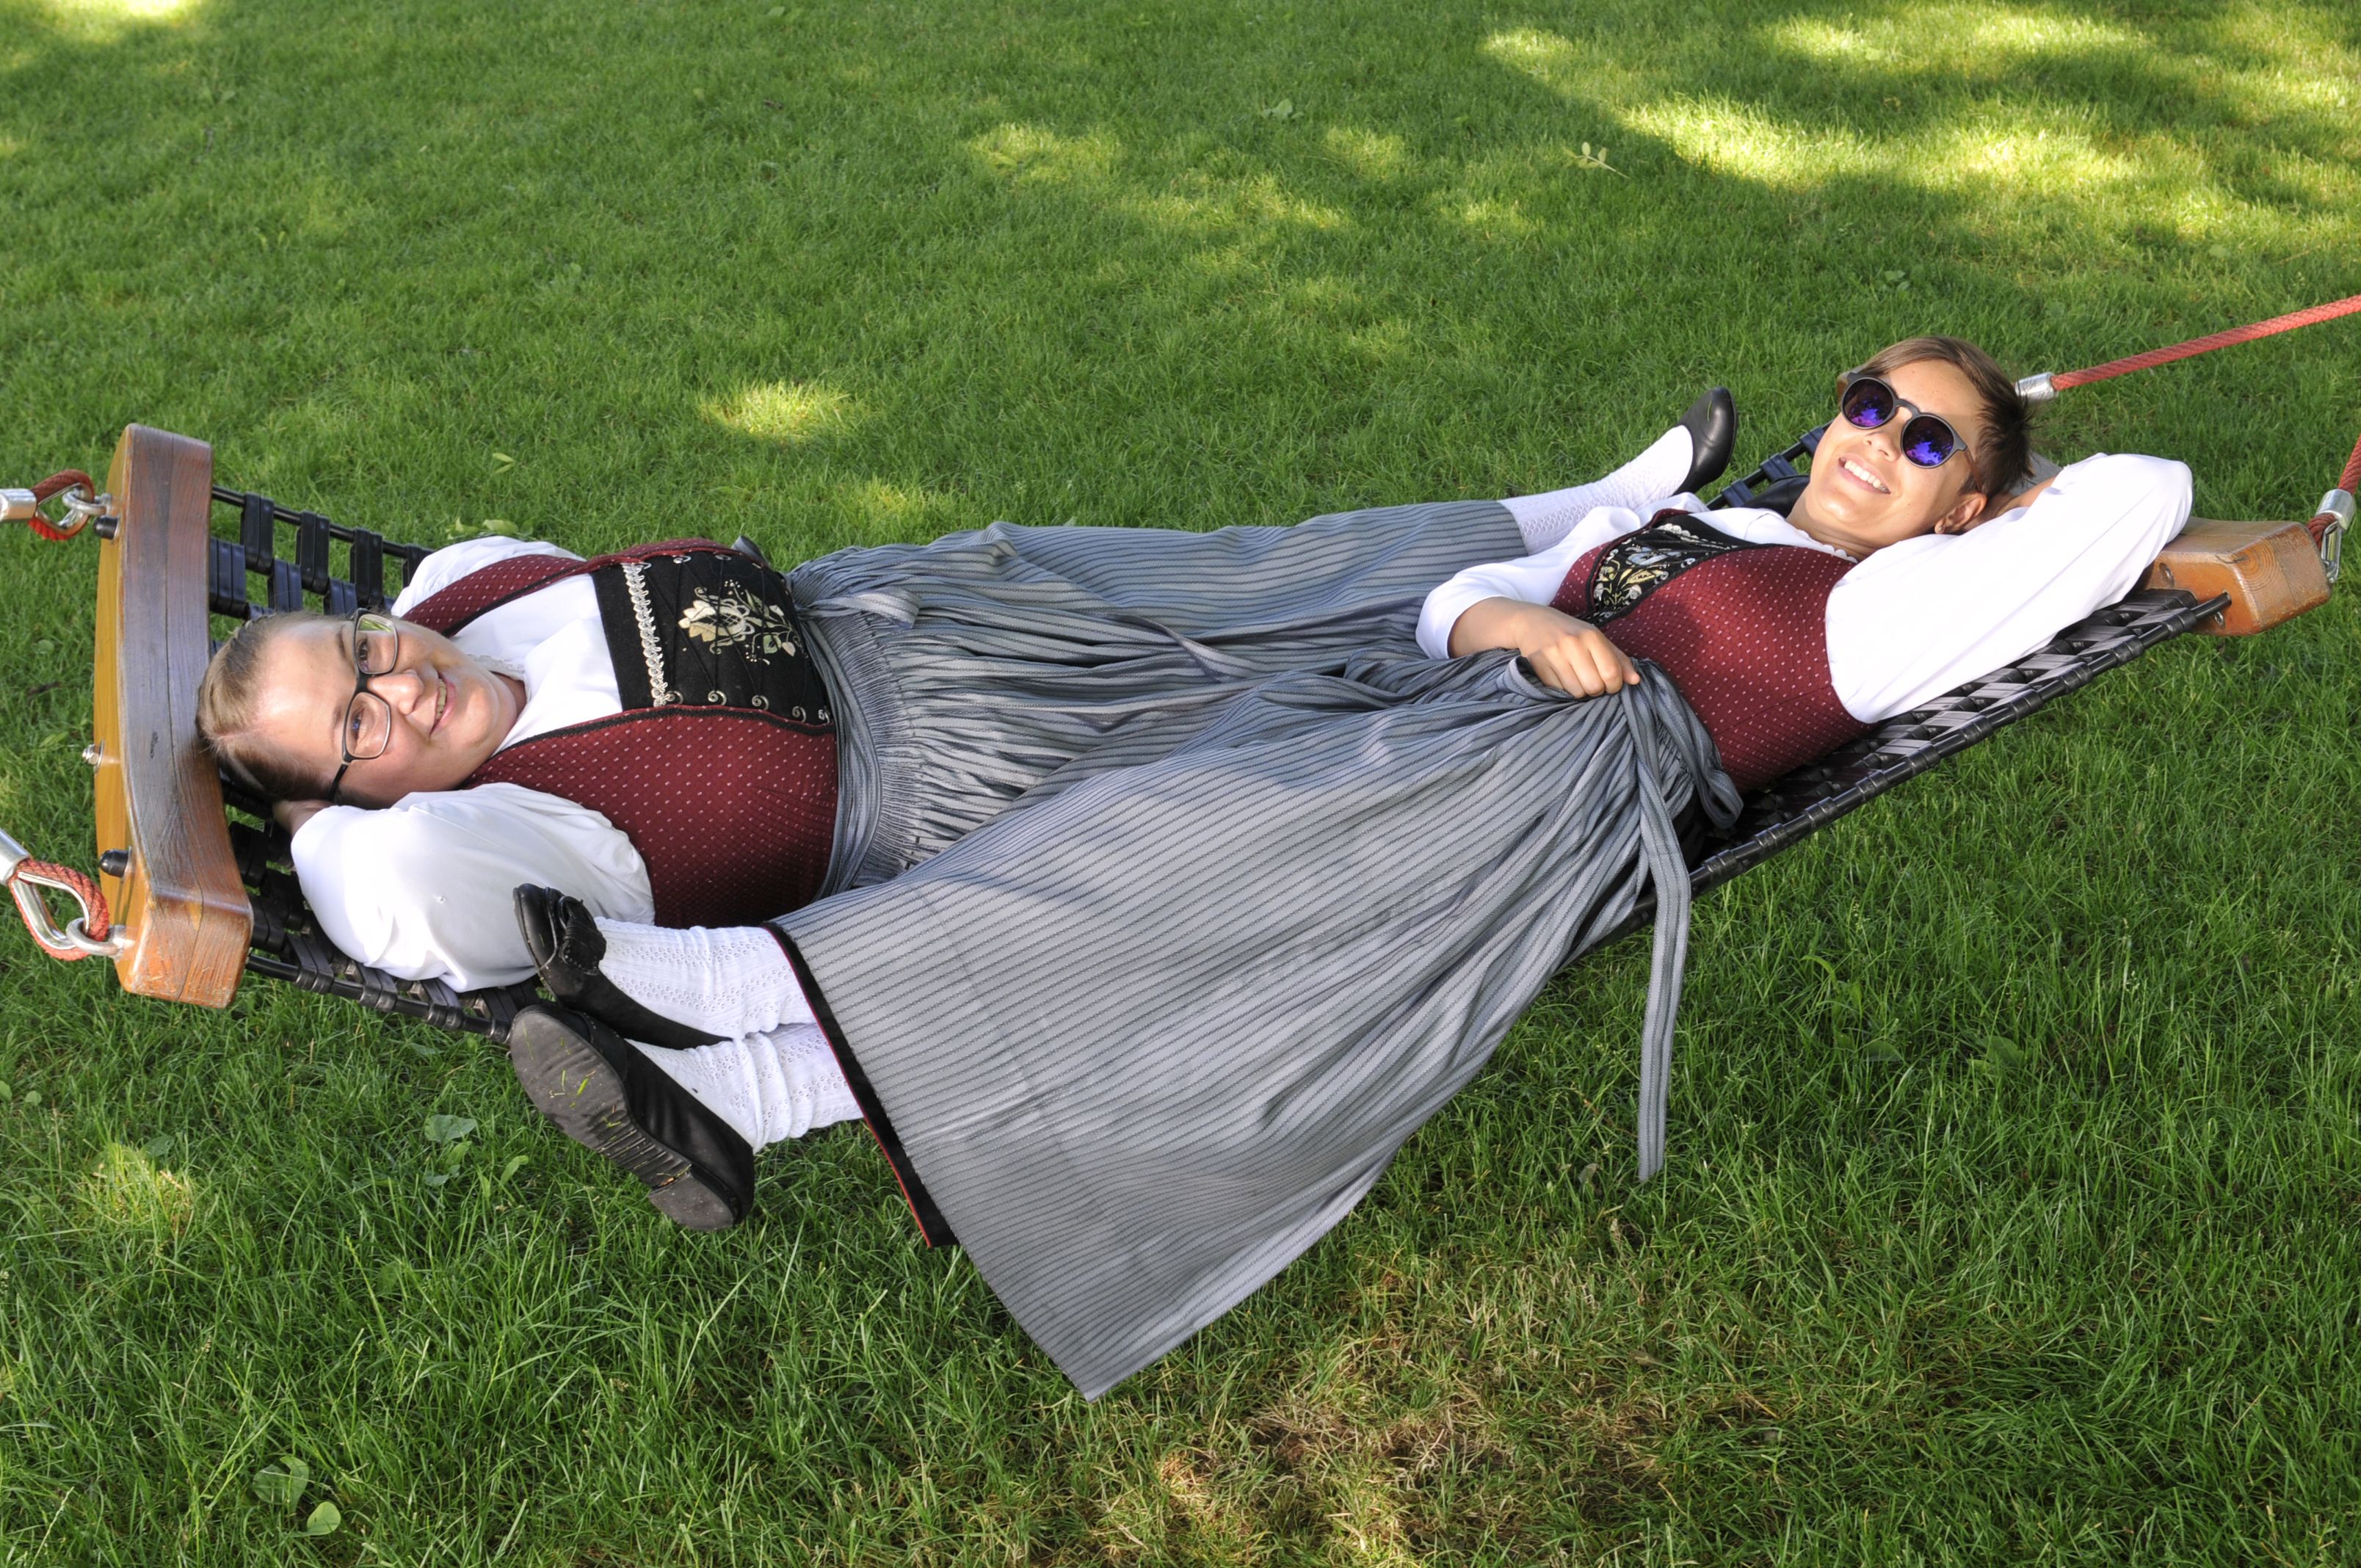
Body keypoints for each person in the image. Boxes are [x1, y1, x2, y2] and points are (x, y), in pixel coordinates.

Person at [202, 337, 2193, 1400]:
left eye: (1918, 439)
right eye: (1864, 402)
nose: (1868, 439)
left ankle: (734, 1038)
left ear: (1969, 509)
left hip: (1505, 770)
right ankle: (731, 1053)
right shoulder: (1763, 548)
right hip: (1444, 707)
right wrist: (1513, 609)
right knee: (1184, 785)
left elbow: (2138, 501)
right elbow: (1466, 600)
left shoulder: (1877, 616)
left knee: (1178, 812)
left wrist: (2002, 487)